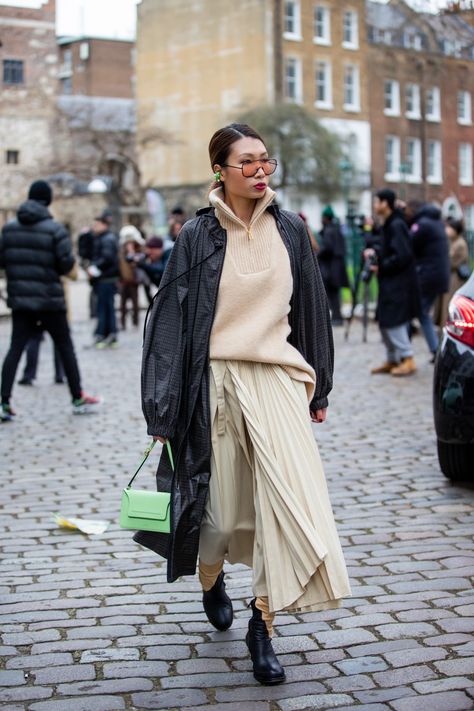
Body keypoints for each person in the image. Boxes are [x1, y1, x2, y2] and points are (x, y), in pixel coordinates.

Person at [135, 123, 351, 685]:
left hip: (277, 381)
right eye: (247, 162)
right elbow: (170, 321)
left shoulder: (292, 230)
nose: (260, 171)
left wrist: (319, 387)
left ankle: (263, 626)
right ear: (220, 171)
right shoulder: (196, 236)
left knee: (282, 509)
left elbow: (311, 310)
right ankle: (212, 579)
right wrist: (163, 410)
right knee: (223, 513)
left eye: (266, 161)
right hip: (216, 385)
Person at [0, 180, 101, 421]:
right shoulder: (55, 229)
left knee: (15, 348)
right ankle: (77, 396)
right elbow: (66, 264)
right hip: (49, 300)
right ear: (48, 201)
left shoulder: (9, 228)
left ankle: (3, 401)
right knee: (65, 346)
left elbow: (2, 262)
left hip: (21, 300)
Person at [367, 188, 420, 377]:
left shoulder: (396, 225)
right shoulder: (389, 224)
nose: (374, 205)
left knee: (394, 321)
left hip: (398, 283)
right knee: (384, 320)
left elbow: (402, 255)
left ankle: (407, 358)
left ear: (385, 204)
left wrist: (382, 266)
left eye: (376, 201)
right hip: (389, 280)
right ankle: (392, 358)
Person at [404, 201, 450, 361]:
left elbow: (408, 246)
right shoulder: (437, 223)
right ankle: (433, 350)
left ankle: (412, 351)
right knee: (422, 313)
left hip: (427, 275)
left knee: (418, 312)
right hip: (437, 276)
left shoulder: (422, 224)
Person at [88, 215, 120, 348]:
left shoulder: (107, 239)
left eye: (96, 225)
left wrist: (94, 269)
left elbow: (107, 258)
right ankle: (108, 335)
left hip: (106, 279)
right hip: (106, 279)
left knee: (104, 308)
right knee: (106, 307)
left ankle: (105, 335)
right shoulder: (104, 238)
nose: (94, 228)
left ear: (104, 225)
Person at [434, 218, 470, 329]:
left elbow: (452, 262)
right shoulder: (452, 242)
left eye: (449, 228)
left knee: (449, 304)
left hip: (454, 279)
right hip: (449, 277)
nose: (447, 230)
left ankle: (448, 327)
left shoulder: (460, 244)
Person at [317, 205, 350, 325]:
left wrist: (318, 255)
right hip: (337, 266)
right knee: (334, 293)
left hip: (331, 268)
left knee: (332, 293)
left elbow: (328, 248)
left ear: (326, 218)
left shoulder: (329, 231)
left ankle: (337, 318)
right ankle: (337, 316)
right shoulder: (336, 229)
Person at [118, 225, 145, 330]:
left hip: (134, 281)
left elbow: (138, 265)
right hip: (124, 281)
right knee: (123, 305)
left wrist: (133, 254)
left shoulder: (137, 252)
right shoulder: (121, 253)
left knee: (135, 304)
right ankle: (123, 323)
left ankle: (135, 322)